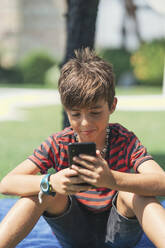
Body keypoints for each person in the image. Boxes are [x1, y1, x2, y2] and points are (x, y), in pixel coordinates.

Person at [0, 48, 165, 248]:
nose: (85, 123)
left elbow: (162, 183)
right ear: (66, 110)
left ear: (112, 105)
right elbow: (7, 183)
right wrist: (51, 182)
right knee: (41, 192)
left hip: (120, 235)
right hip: (74, 234)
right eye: (76, 114)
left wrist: (111, 180)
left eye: (95, 112)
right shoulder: (59, 143)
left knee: (134, 193)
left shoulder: (125, 140)